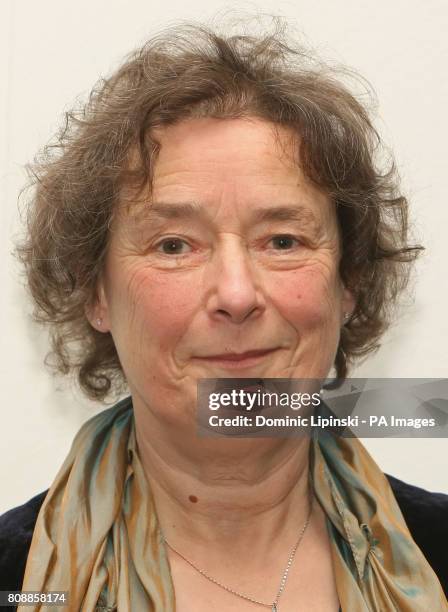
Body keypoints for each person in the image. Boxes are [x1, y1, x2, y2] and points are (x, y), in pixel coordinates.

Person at [0, 20, 447, 612]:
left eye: (283, 241)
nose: (236, 294)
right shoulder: (17, 578)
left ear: (348, 283)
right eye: (174, 245)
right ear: (95, 294)